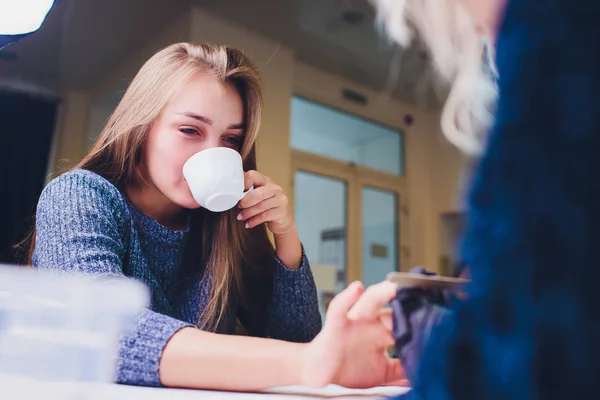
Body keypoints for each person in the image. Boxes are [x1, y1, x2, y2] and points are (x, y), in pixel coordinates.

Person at [28, 42, 406, 390]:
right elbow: (99, 327)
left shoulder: (223, 221)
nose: (212, 153)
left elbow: (298, 338)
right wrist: (312, 362)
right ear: (141, 127)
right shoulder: (79, 196)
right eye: (190, 130)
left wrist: (285, 236)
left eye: (230, 140)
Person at [376, 0, 600, 399]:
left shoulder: (557, 28)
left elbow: (520, 369)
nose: (490, 49)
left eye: (481, 29)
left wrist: (443, 344)